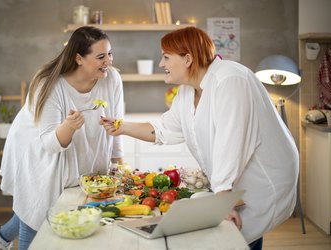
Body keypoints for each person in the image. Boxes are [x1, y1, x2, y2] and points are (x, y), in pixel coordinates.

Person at [100, 27, 298, 249]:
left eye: (166, 57)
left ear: (188, 58)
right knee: (232, 235)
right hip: (235, 180)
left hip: (265, 177)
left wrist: (223, 199)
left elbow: (230, 142)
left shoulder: (230, 79)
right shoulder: (187, 92)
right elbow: (164, 130)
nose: (161, 64)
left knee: (234, 235)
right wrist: (121, 127)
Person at [0, 26, 125, 250]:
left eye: (110, 53)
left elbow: (116, 124)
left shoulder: (112, 79)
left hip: (61, 143)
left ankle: (0, 238)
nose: (108, 61)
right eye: (100, 56)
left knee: (44, 205)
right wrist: (68, 127)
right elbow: (50, 143)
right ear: (78, 58)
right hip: (36, 147)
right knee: (38, 206)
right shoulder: (49, 84)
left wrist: (119, 164)